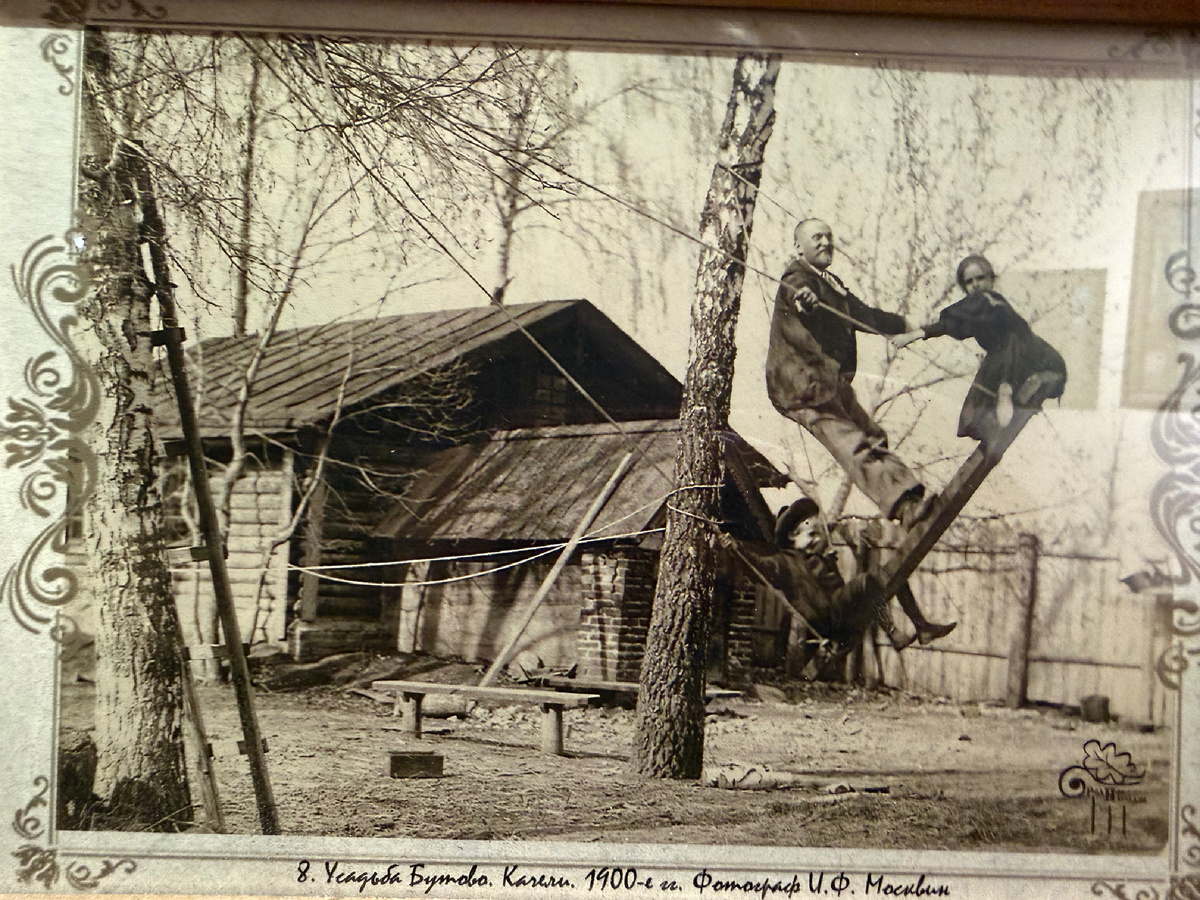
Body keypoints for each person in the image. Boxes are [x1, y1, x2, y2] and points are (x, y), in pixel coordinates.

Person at [766, 218, 932, 529]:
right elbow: (798, 295)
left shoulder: (833, 286)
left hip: (828, 383)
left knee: (874, 437)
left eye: (829, 236)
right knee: (853, 443)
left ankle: (911, 499)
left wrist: (911, 325)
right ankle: (903, 507)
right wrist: (806, 301)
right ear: (798, 246)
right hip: (801, 387)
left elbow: (866, 316)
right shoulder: (796, 276)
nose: (826, 242)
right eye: (817, 237)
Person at [716, 497, 955, 675]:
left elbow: (840, 588)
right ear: (792, 537)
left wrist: (829, 563)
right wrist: (736, 547)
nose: (817, 540)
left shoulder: (821, 558)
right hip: (826, 617)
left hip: (841, 614)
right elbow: (756, 564)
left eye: (818, 535)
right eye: (810, 535)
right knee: (868, 580)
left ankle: (921, 626)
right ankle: (893, 633)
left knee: (889, 577)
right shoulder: (784, 563)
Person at [891, 254, 1067, 447]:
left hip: (1032, 355)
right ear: (964, 286)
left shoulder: (986, 300)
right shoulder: (979, 307)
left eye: (980, 278)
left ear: (991, 279)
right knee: (983, 392)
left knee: (998, 364)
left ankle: (1006, 390)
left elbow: (948, 324)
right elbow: (951, 325)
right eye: (969, 281)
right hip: (1013, 359)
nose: (975, 285)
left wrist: (912, 335)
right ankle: (1006, 394)